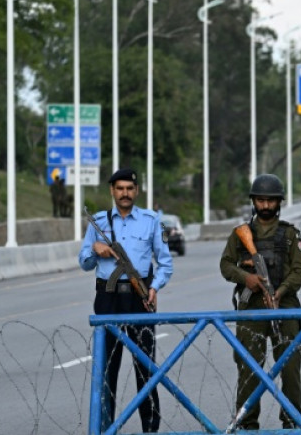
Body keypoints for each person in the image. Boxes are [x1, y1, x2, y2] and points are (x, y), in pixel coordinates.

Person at [78, 168, 173, 433]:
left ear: (137, 191)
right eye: (120, 189)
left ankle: (150, 428)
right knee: (108, 368)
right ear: (112, 191)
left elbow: (165, 263)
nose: (125, 194)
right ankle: (106, 427)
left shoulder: (151, 220)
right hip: (107, 298)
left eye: (129, 189)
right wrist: (95, 250)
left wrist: (154, 287)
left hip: (139, 298)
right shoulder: (99, 222)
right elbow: (84, 262)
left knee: (146, 368)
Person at [220, 174, 301, 430]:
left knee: (290, 367)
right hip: (251, 308)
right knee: (249, 368)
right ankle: (247, 422)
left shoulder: (291, 235)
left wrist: (279, 292)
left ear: (279, 202)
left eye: (271, 201)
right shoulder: (240, 235)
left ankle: (291, 421)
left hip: (285, 307)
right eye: (261, 200)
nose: (266, 206)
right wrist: (246, 277)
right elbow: (225, 265)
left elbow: (299, 271)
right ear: (254, 202)